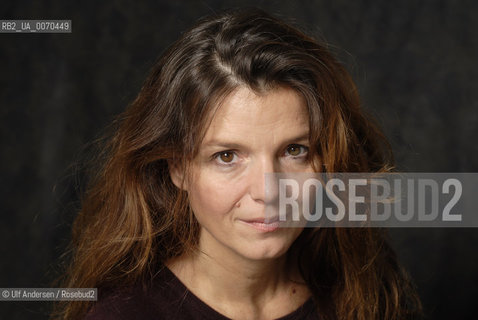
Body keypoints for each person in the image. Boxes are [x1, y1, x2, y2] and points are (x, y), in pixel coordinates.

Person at [53, 8, 422, 320]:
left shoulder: (363, 292)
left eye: (294, 151)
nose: (268, 191)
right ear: (178, 168)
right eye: (227, 156)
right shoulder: (125, 314)